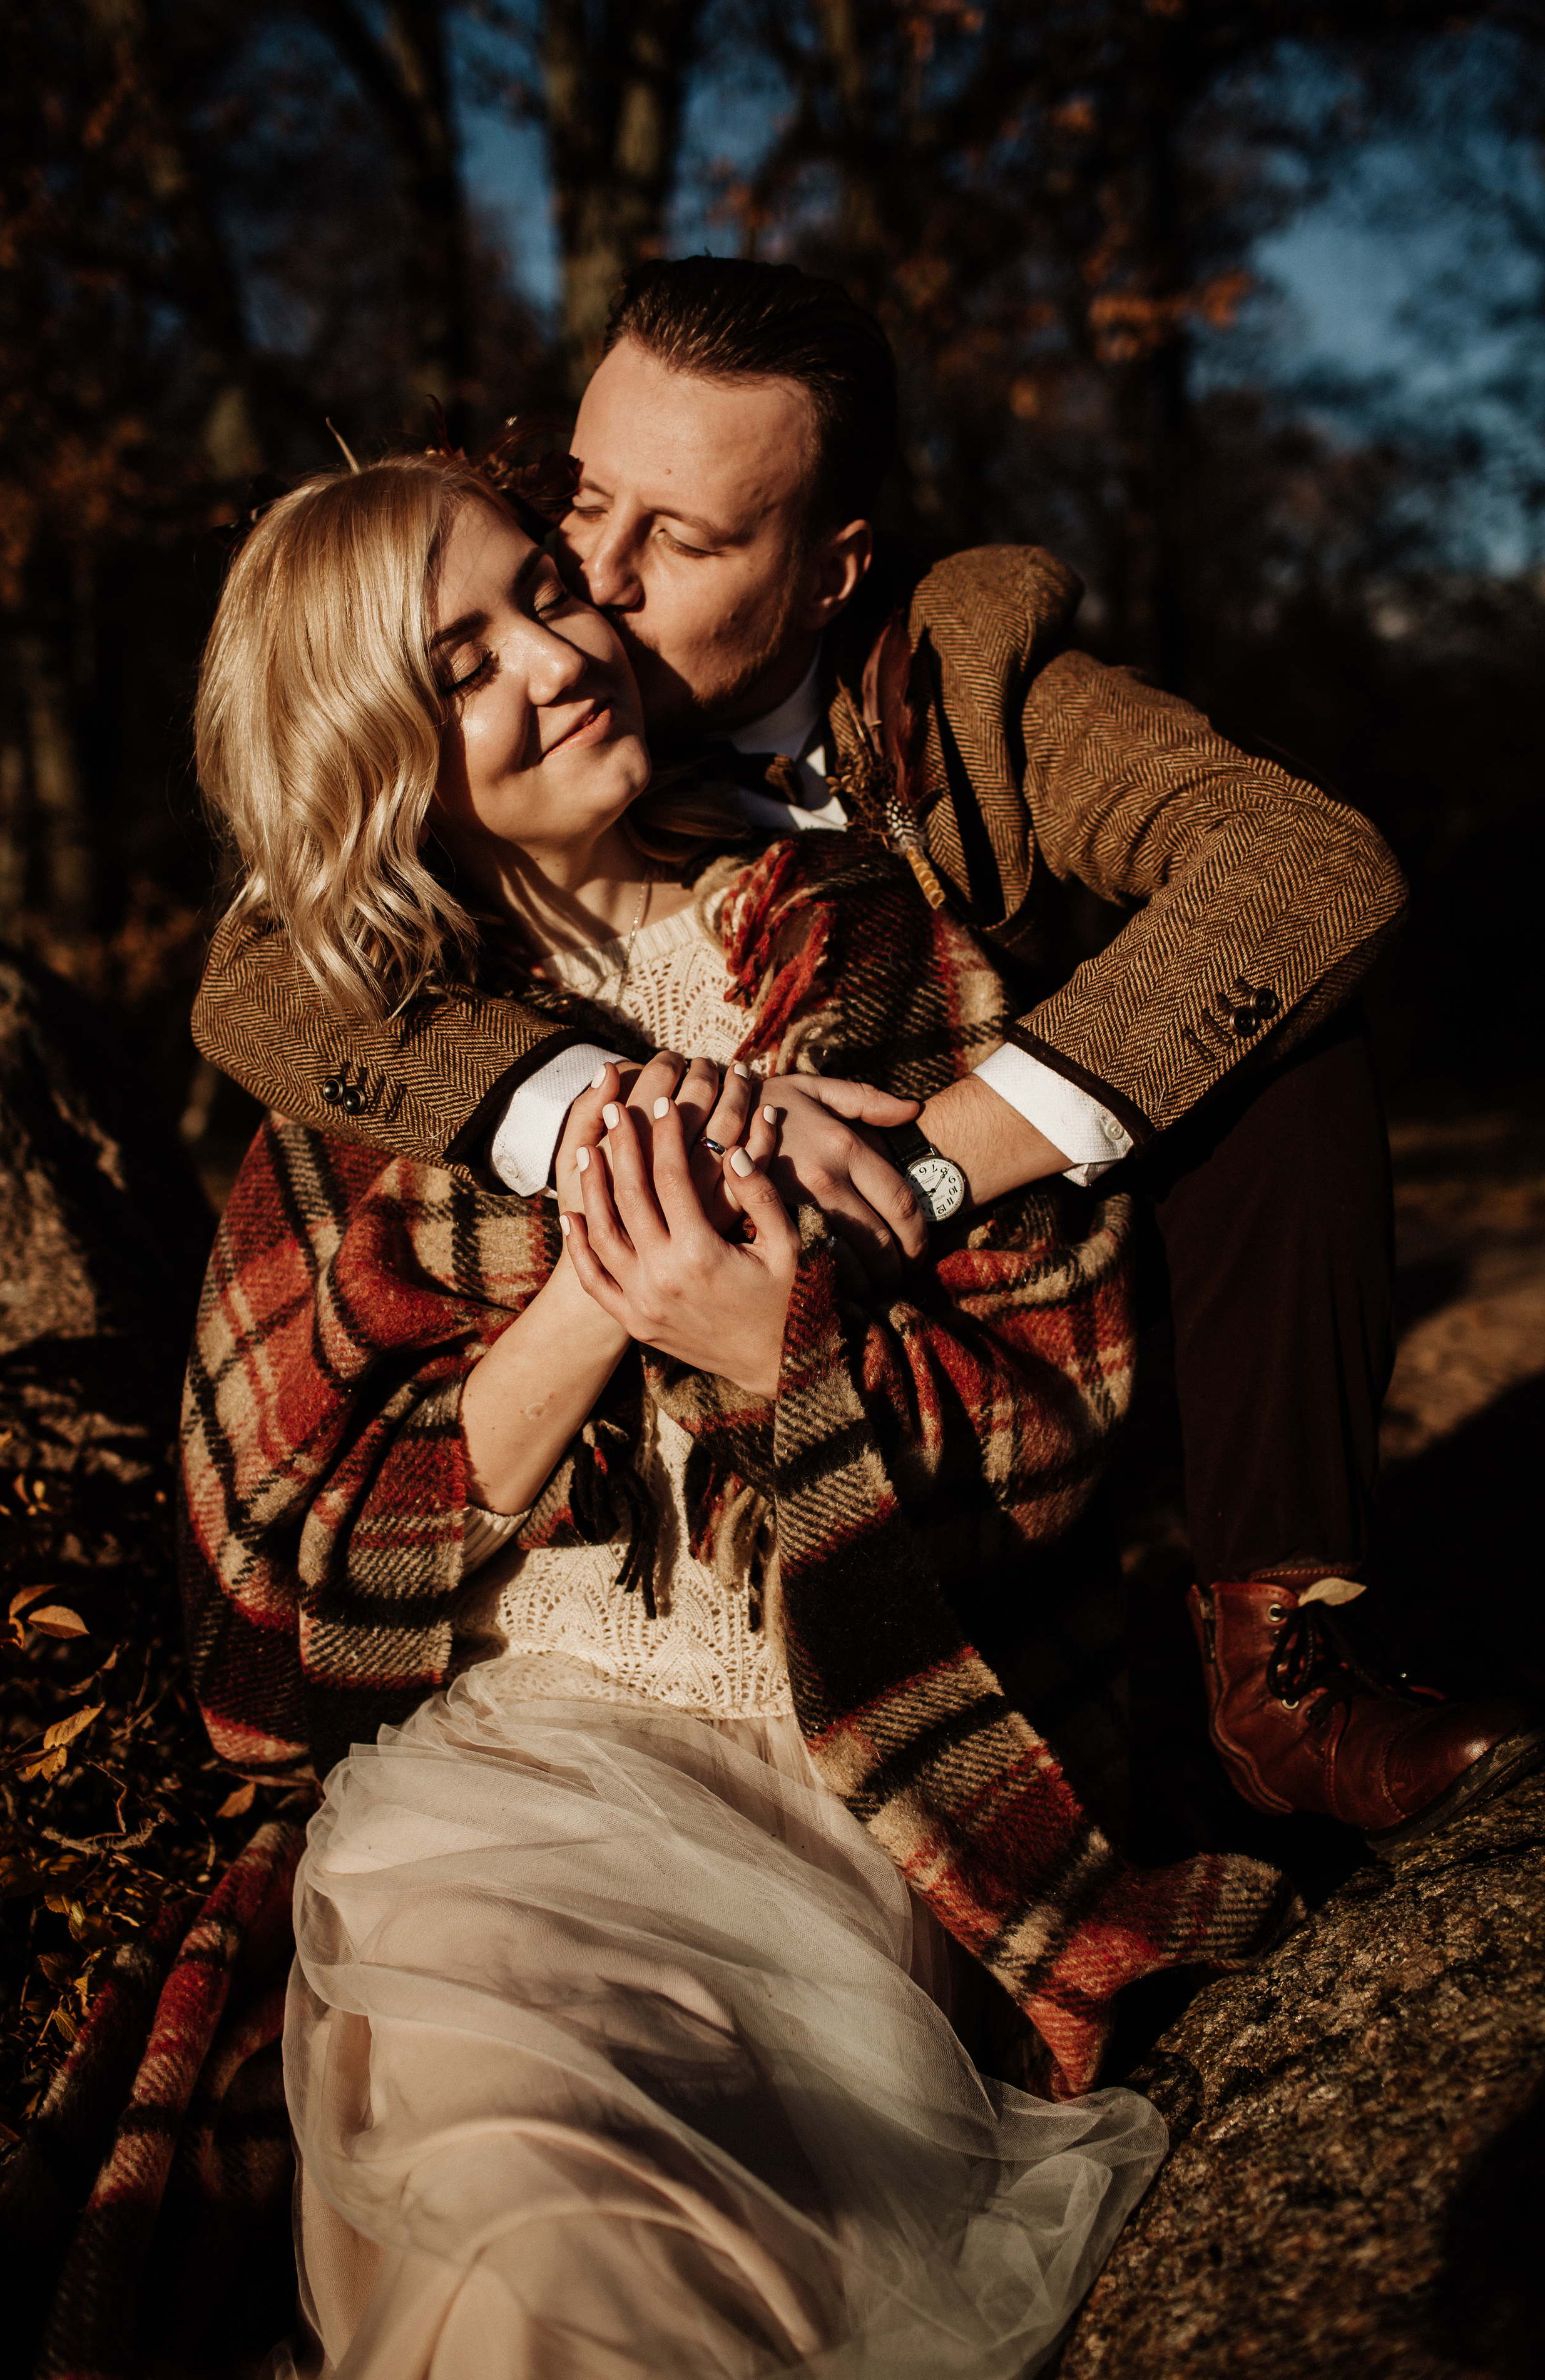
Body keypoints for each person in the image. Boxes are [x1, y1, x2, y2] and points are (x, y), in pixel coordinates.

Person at [191, 256, 1537, 1847]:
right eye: (582, 505)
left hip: (1045, 1278)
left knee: (1290, 1047)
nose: (596, 585)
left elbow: (1307, 868)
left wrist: (916, 1157)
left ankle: (1276, 1648)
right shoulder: (519, 702)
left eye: (680, 540)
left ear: (828, 575)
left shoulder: (965, 688)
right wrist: (599, 1111)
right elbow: (262, 967)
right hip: (678, 1442)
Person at [180, 451, 1292, 2376]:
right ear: (376, 754)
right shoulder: (358, 1078)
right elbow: (262, 1640)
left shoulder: (870, 946)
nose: (560, 654)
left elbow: (1062, 1426)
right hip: (512, 1786)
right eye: (466, 663)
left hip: (864, 1768)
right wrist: (598, 1305)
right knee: (524, 2211)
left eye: (548, 589)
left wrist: (772, 1329)